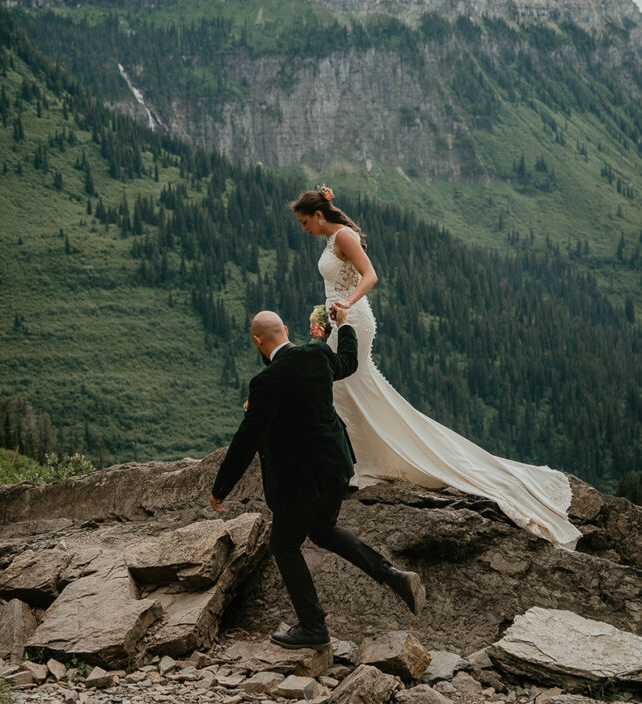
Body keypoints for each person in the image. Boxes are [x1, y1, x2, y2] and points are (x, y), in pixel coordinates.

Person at [290, 186, 582, 551]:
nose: (302, 228)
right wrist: (328, 311)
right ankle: (363, 463)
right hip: (339, 318)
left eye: (304, 221)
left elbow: (370, 276)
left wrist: (345, 304)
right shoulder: (332, 237)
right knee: (347, 389)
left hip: (353, 319)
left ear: (318, 215)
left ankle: (357, 465)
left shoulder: (343, 236)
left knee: (340, 385)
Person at [210, 308, 426, 650]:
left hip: (301, 481)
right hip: (337, 467)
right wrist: (344, 326)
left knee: (283, 545)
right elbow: (349, 362)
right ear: (285, 329)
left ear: (257, 341)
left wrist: (221, 488)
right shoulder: (318, 354)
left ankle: (313, 627)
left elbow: (247, 439)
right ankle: (393, 577)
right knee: (323, 531)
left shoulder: (266, 382)